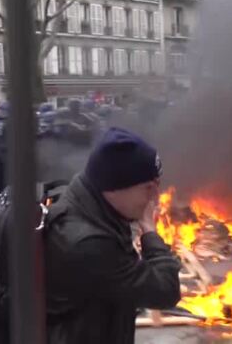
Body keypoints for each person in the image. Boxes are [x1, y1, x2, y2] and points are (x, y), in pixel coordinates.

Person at [44, 128, 181, 344]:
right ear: (118, 187)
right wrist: (149, 229)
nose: (156, 197)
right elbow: (166, 291)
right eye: (148, 187)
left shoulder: (90, 202)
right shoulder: (90, 245)